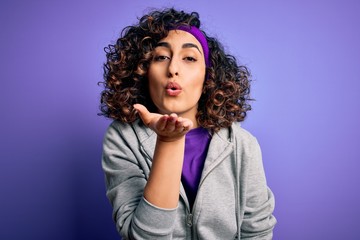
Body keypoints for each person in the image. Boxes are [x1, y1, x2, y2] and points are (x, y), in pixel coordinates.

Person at [99, 8, 276, 239]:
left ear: (208, 76)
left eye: (189, 58)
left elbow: (257, 232)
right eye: (161, 57)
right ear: (143, 71)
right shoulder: (122, 138)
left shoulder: (242, 146)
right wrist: (168, 141)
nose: (173, 69)